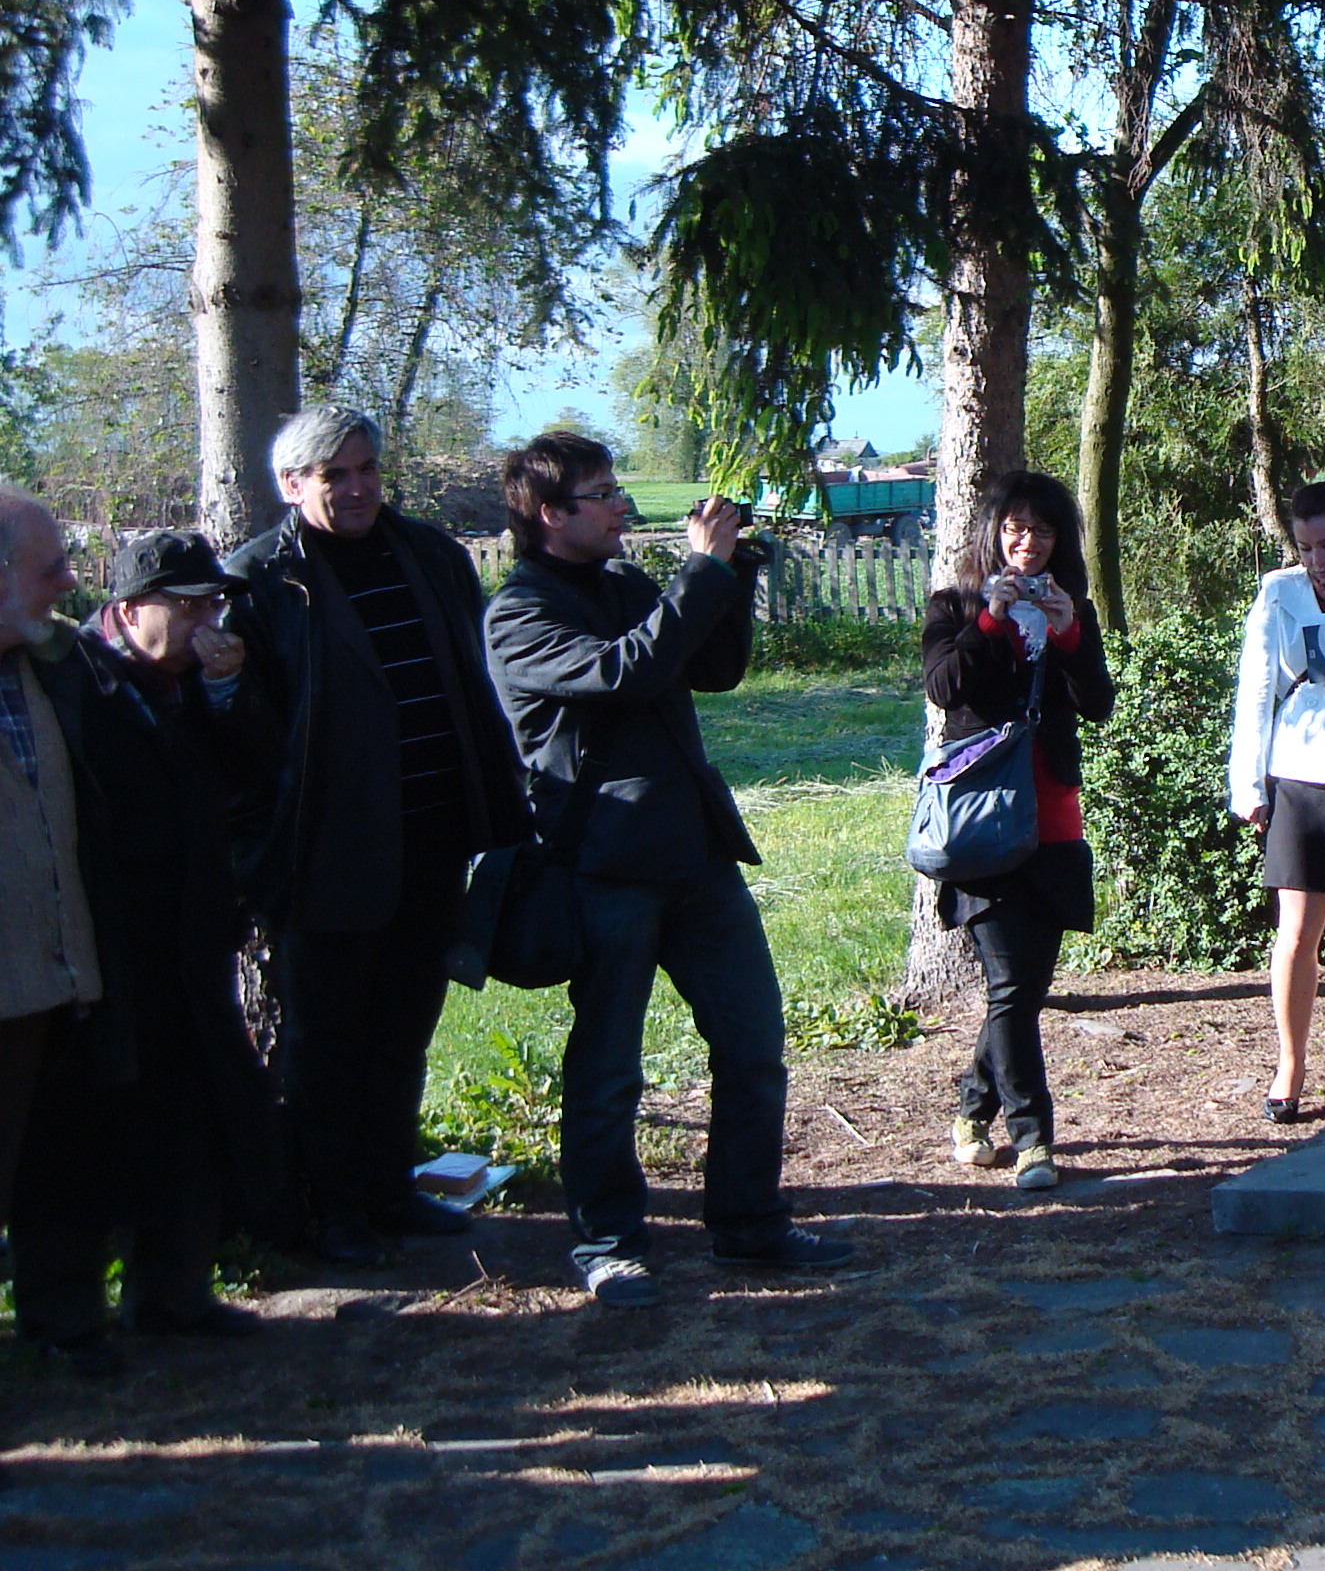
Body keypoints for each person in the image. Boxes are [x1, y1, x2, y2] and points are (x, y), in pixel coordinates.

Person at [486, 432, 849, 1307]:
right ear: (548, 514)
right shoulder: (517, 613)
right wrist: (697, 576)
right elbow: (629, 671)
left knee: (754, 1044)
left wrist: (737, 573)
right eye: (603, 493)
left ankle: (747, 1225)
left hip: (695, 857)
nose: (622, 505)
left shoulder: (625, 584)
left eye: (617, 490)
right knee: (610, 1066)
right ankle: (608, 1242)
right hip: (602, 867)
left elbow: (713, 669)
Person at [226, 407, 528, 1266]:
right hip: (325, 852)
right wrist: (263, 854)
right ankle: (335, 1208)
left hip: (432, 837)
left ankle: (393, 1188)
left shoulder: (430, 556)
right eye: (335, 476)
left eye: (366, 470)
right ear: (293, 487)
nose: (357, 488)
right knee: (328, 1038)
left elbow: (471, 689)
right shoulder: (260, 584)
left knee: (403, 1024)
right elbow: (244, 741)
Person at [13, 530, 288, 1366]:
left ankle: (175, 1293)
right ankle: (64, 1320)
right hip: (102, 946)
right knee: (80, 1132)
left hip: (191, 941)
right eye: (189, 605)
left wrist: (228, 685)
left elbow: (262, 768)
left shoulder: (198, 683)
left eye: (214, 602)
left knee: (190, 1118)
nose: (209, 618)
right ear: (131, 612)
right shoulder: (75, 680)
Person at [921, 470, 1113, 1191]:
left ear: (1060, 542)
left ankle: (973, 1109)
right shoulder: (953, 606)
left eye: (1042, 531)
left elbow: (1096, 705)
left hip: (1053, 812)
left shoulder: (1073, 611)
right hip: (983, 819)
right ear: (993, 533)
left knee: (1023, 988)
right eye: (1014, 528)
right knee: (1008, 983)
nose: (1026, 543)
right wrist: (991, 620)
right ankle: (1034, 1140)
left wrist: (1066, 634)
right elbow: (945, 688)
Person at [0, 488, 121, 1369]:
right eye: (51, 572)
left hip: (64, 972)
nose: (67, 586)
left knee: (62, 1165)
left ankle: (64, 1323)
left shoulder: (59, 665)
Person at [1227, 481, 1325, 1123]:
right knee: (1297, 928)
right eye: (1307, 547)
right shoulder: (1277, 593)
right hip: (1296, 772)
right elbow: (1255, 689)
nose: (1319, 559)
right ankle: (1289, 1063)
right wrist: (1248, 785)